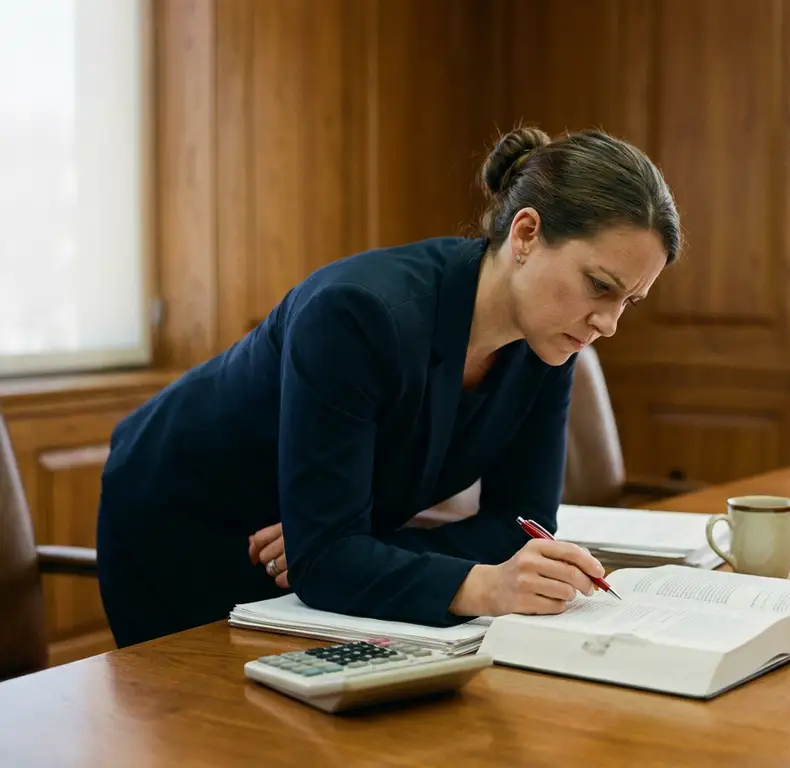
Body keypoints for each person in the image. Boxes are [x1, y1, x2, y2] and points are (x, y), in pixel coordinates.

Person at [96, 126, 682, 648]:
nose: (608, 324)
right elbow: (329, 562)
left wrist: (349, 547)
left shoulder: (550, 346)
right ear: (526, 233)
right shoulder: (359, 313)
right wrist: (479, 584)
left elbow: (522, 522)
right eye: (599, 286)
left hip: (315, 554)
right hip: (183, 523)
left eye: (628, 301)